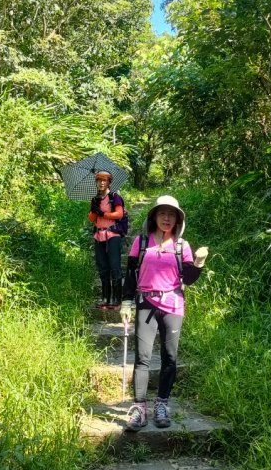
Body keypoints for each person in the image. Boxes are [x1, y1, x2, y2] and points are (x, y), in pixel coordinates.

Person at [119, 195, 208, 430]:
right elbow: (130, 274)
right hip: (146, 303)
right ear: (154, 217)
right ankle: (139, 408)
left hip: (173, 305)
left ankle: (162, 404)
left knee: (170, 357)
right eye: (162, 213)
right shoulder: (141, 241)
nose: (167, 218)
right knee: (143, 358)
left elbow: (188, 278)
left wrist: (198, 263)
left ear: (177, 219)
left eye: (171, 214)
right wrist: (126, 302)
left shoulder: (182, 245)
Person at [88, 171, 125, 307]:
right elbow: (92, 218)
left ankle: (116, 299)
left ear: (109, 182)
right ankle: (105, 298)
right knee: (103, 268)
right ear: (96, 182)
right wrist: (94, 209)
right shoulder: (95, 199)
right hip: (99, 236)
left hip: (112, 236)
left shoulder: (114, 197)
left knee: (114, 267)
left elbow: (119, 214)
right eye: (99, 180)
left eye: (105, 180)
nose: (102, 183)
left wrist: (103, 213)